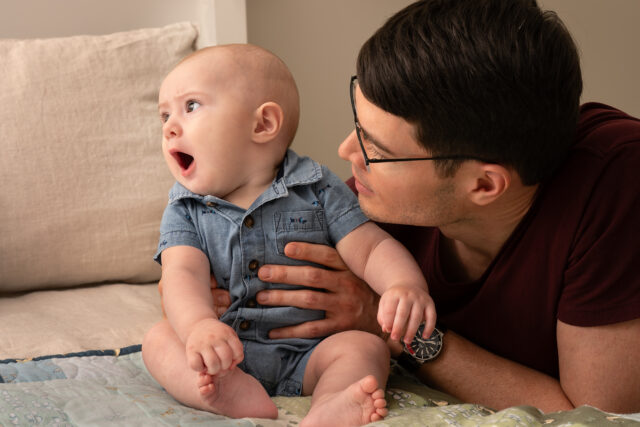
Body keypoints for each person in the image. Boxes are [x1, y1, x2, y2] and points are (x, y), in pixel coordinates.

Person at [194, 0, 640, 414]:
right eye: (358, 126)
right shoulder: (369, 204)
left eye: (377, 149)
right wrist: (208, 289)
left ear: (484, 184)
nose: (346, 151)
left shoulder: (616, 181)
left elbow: (598, 414)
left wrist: (389, 326)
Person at [142, 44, 438, 426]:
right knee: (159, 340)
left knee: (366, 347)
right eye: (165, 115)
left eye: (191, 106)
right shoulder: (185, 208)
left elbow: (371, 248)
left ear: (263, 124)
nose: (169, 127)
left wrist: (404, 285)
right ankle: (224, 392)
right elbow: (182, 273)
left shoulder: (317, 188)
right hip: (223, 352)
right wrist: (198, 325)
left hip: (310, 353)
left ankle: (333, 402)